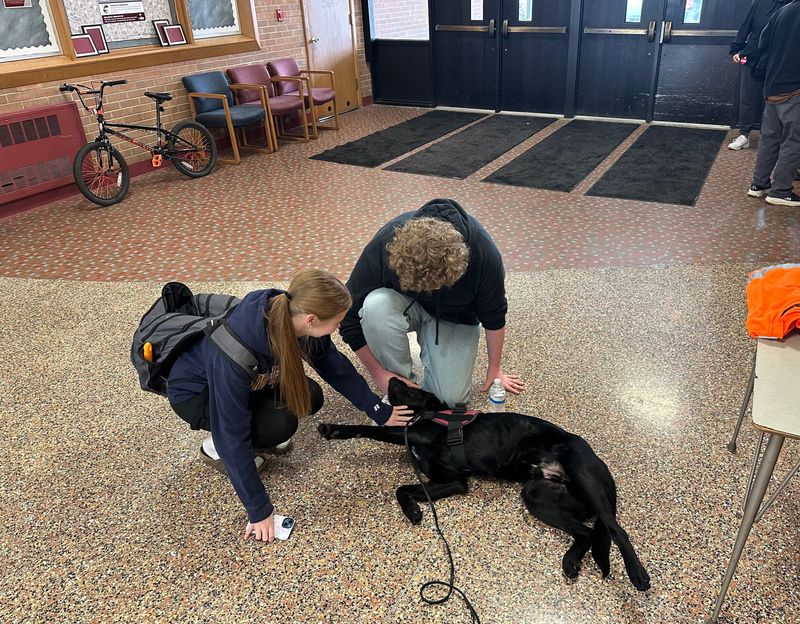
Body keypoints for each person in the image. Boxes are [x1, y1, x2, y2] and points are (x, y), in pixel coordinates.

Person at [166, 269, 412, 542]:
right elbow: (231, 430)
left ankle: (256, 430)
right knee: (278, 425)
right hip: (197, 393)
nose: (339, 327)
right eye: (338, 322)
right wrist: (258, 510)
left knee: (310, 395)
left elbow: (334, 366)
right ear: (311, 319)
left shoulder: (295, 317)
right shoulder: (235, 352)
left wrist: (377, 410)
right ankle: (213, 447)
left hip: (249, 382)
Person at [339, 198, 525, 409]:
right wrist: (379, 374)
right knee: (375, 307)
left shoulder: (485, 255)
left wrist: (494, 368)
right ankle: (400, 387)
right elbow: (348, 316)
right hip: (403, 305)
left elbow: (494, 314)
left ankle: (428, 382)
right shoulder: (386, 243)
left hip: (455, 317)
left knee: (451, 400)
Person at [747, 0, 800, 206]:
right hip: (795, 88)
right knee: (793, 142)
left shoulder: (782, 11)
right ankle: (781, 190)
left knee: (769, 139)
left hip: (773, 86)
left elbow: (763, 42)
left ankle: (758, 184)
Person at [727, 0, 791, 150]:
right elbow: (746, 26)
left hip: (779, 62)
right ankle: (744, 134)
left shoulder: (793, 6)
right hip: (753, 57)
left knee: (773, 102)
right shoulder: (760, 3)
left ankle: (769, 138)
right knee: (748, 97)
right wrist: (736, 49)